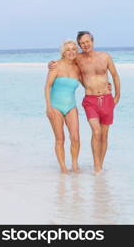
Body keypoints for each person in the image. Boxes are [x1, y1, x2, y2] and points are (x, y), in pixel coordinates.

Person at [49, 31, 121, 174]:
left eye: (87, 41)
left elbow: (115, 75)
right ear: (80, 45)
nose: (85, 45)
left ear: (92, 41)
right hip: (90, 100)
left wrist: (117, 97)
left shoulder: (105, 56)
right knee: (96, 131)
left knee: (104, 135)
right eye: (82, 43)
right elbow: (64, 61)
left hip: (107, 99)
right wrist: (51, 64)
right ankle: (96, 166)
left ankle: (100, 164)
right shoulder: (78, 58)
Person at [45, 40, 82, 173]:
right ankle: (63, 168)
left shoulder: (78, 68)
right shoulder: (55, 66)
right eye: (68, 50)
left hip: (71, 106)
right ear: (63, 52)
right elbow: (47, 86)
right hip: (55, 106)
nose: (71, 52)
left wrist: (103, 86)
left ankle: (74, 165)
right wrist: (48, 106)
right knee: (60, 138)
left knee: (75, 137)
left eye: (73, 49)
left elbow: (88, 82)